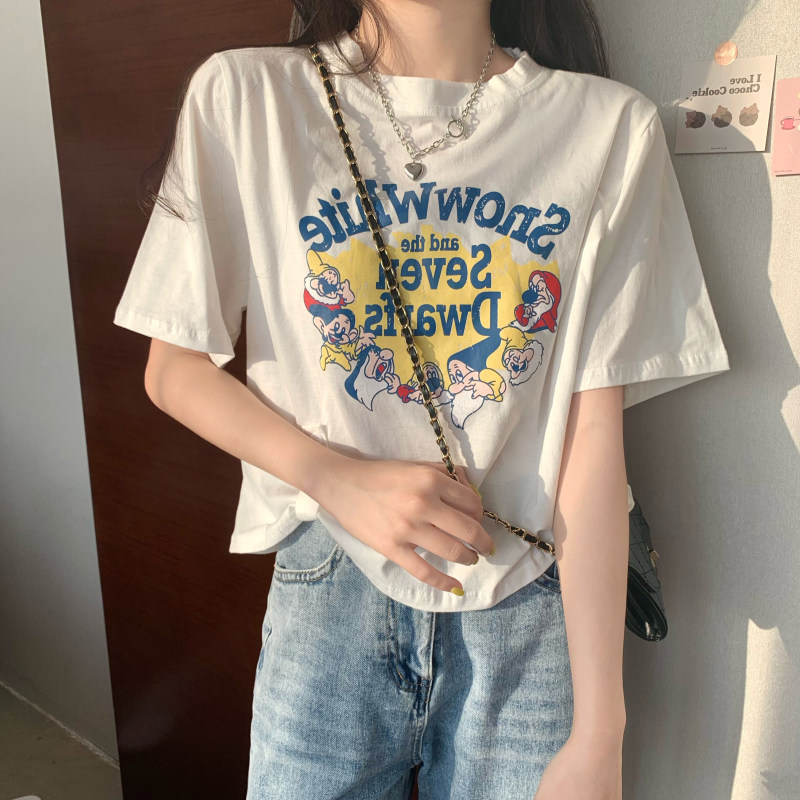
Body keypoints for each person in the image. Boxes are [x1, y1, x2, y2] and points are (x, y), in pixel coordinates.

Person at [112, 1, 731, 797]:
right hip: (330, 579)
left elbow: (592, 443)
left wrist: (600, 730)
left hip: (529, 602)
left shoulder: (606, 127)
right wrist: (334, 477)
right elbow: (174, 368)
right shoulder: (248, 97)